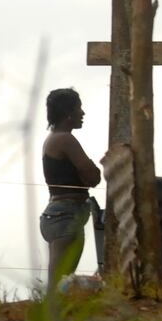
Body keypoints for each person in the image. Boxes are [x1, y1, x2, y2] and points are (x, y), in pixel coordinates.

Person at [40, 88, 101, 287]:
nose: (82, 113)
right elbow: (93, 176)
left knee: (61, 280)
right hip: (65, 215)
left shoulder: (54, 138)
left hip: (62, 215)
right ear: (68, 112)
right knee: (60, 283)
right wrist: (89, 172)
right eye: (78, 108)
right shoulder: (65, 139)